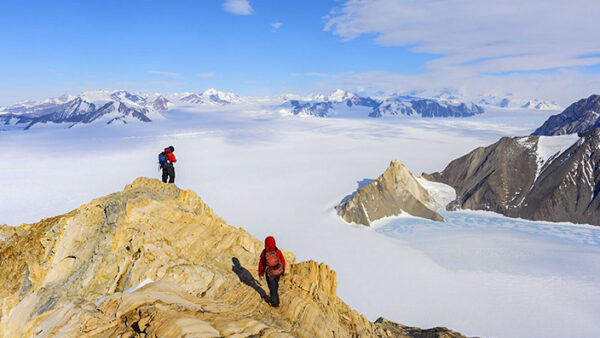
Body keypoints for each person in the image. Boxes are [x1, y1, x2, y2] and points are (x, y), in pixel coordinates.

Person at [258, 236, 285, 307]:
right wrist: (283, 270)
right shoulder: (277, 251)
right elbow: (282, 261)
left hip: (270, 273)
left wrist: (260, 273)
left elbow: (262, 264)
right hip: (278, 272)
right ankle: (276, 300)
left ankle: (275, 303)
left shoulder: (264, 252)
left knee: (272, 288)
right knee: (275, 286)